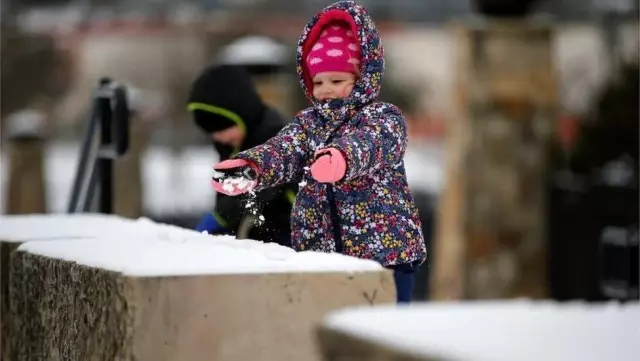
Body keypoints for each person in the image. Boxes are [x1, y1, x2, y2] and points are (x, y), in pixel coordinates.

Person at [209, 0, 427, 303]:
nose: (325, 90)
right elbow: (283, 151)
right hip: (322, 258)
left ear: (363, 77)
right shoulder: (308, 124)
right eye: (318, 81)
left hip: (385, 255)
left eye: (337, 80)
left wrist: (341, 158)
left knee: (383, 331)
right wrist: (251, 169)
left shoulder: (383, 118)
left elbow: (371, 144)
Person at [187, 64, 297, 248]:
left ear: (243, 113)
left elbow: (252, 186)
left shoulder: (272, 135)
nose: (218, 136)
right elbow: (226, 190)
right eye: (211, 132)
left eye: (222, 127)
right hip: (256, 233)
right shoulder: (230, 141)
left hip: (288, 231)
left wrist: (220, 217)